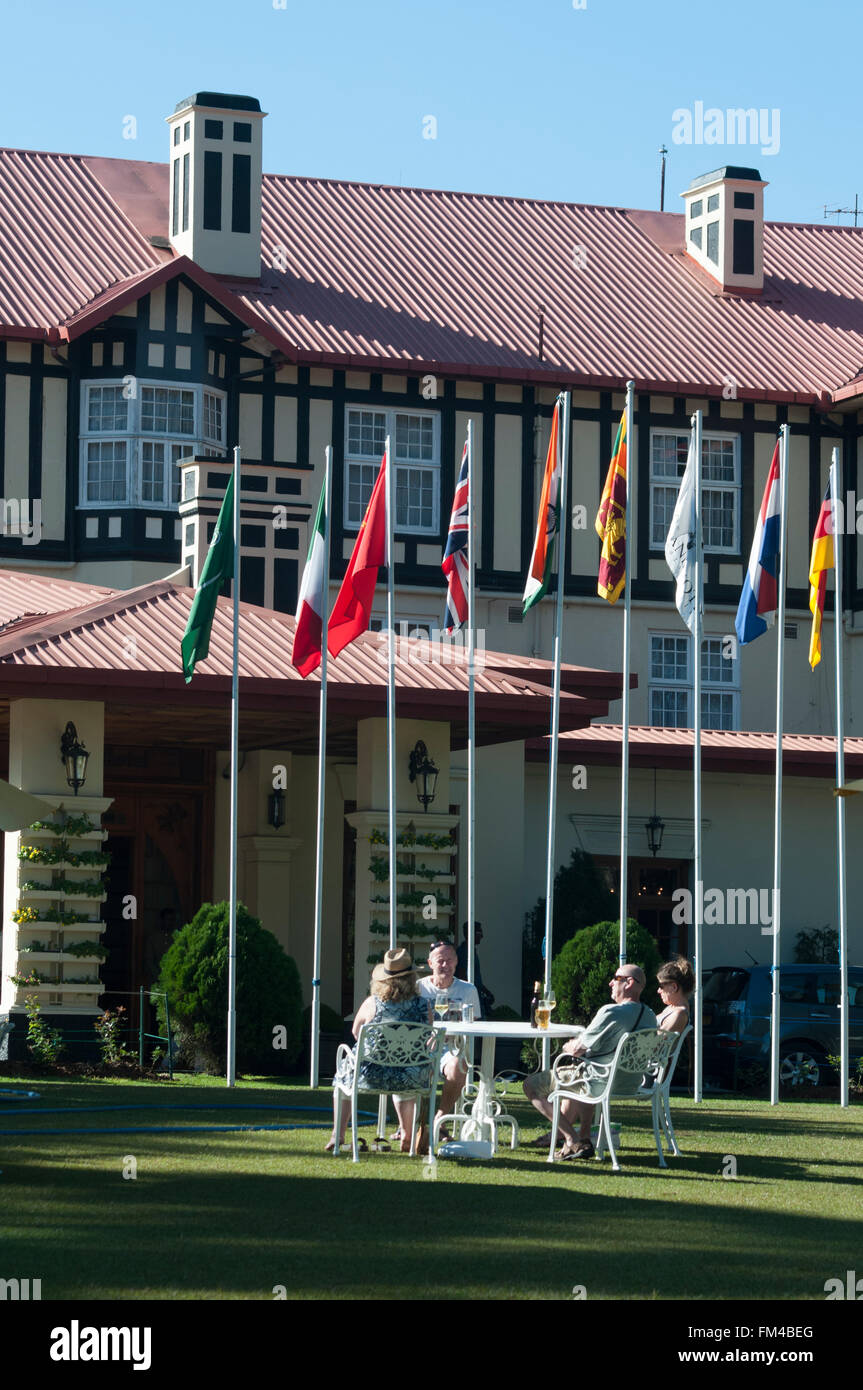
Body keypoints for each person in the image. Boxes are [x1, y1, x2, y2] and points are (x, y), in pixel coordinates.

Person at [523, 963, 657, 1160]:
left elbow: (578, 1049)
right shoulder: (650, 1016)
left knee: (530, 1085)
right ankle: (584, 1138)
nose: (611, 982)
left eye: (616, 978)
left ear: (629, 983)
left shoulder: (612, 1012)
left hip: (600, 1080)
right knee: (580, 1074)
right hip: (629, 1083)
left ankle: (571, 1139)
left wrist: (568, 1047)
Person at [327, 949, 433, 1154]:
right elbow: (427, 1037)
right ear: (412, 977)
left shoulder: (371, 1003)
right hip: (412, 1076)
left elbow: (356, 1032)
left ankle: (338, 1134)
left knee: (342, 1079)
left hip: (370, 1074)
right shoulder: (423, 1005)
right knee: (404, 1077)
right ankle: (407, 1135)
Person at [415, 940, 481, 1141]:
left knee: (459, 1066)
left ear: (456, 962)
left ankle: (440, 1120)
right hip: (419, 1047)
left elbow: (473, 1024)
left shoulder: (468, 990)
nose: (445, 965)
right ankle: (410, 1128)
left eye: (449, 960)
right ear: (430, 963)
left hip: (452, 1048)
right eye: (440, 961)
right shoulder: (419, 987)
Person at [456, 920, 494, 1015]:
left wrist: (486, 991)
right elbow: (462, 976)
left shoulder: (471, 951)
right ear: (471, 933)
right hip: (470, 998)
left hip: (476, 994)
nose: (482, 936)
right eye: (479, 932)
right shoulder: (465, 953)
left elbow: (475, 978)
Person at [656, 957, 695, 1033]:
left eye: (661, 986)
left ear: (674, 987)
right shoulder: (671, 1008)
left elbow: (657, 1041)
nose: (658, 991)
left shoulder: (680, 1014)